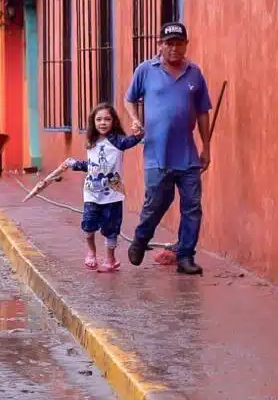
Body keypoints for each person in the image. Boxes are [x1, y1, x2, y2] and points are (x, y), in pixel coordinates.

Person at [123, 22, 212, 275]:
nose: (174, 48)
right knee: (157, 202)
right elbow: (129, 98)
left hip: (187, 154)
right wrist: (135, 119)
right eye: (168, 43)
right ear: (159, 45)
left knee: (192, 206)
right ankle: (141, 238)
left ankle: (185, 256)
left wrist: (206, 147)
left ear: (186, 45)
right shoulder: (145, 70)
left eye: (179, 44)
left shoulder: (195, 73)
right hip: (156, 153)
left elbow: (203, 112)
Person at [62, 102, 143, 273]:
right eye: (99, 119)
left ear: (113, 121)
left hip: (113, 193)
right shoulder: (91, 142)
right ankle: (91, 251)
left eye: (107, 119)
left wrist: (138, 133)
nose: (103, 122)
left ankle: (110, 259)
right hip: (91, 192)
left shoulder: (118, 141)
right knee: (89, 225)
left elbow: (133, 140)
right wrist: (75, 164)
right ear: (93, 122)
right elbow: (92, 166)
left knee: (110, 228)